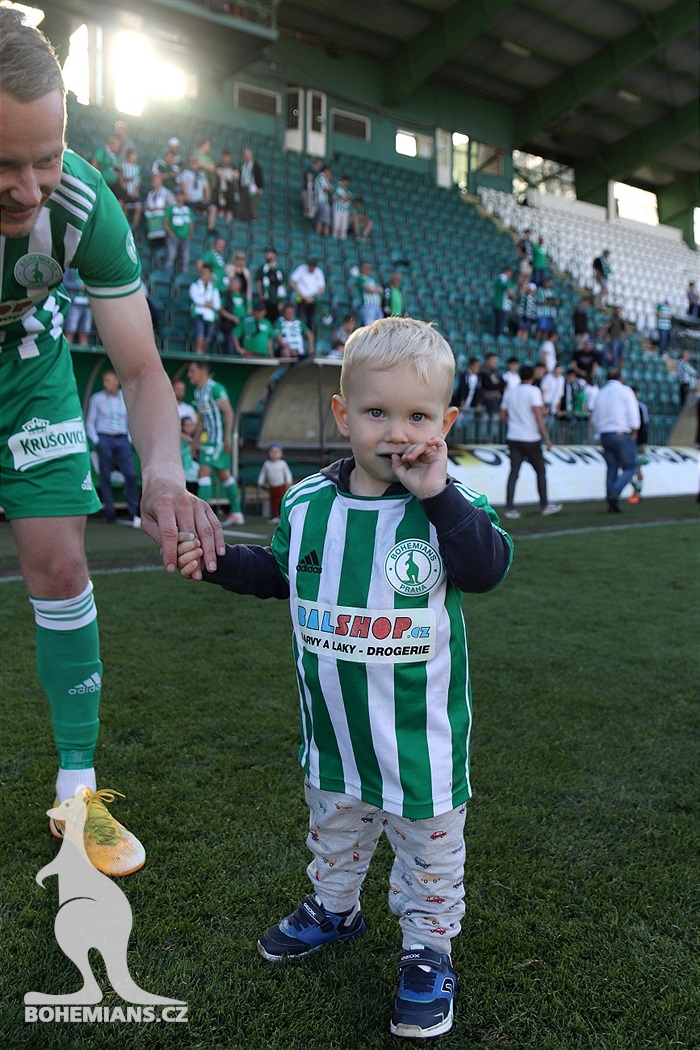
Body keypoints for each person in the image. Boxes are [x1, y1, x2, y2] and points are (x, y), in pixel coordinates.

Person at [176, 317, 514, 1040]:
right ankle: (335, 908)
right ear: (341, 415)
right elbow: (280, 575)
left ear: (446, 422)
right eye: (376, 413)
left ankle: (427, 951)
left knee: (430, 854)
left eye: (418, 416)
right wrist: (218, 562)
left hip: (420, 743)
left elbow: (488, 568)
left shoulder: (448, 504)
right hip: (333, 735)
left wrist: (438, 494)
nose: (397, 433)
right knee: (333, 832)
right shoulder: (305, 507)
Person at [0, 8, 223, 876]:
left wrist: (164, 476)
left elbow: (140, 372)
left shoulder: (84, 202)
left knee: (60, 565)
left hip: (28, 373)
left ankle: (77, 783)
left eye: (46, 159)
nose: (28, 188)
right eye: (4, 164)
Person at [500, 365, 563, 520]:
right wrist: (546, 437)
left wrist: (514, 423)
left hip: (513, 437)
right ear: (532, 377)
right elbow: (538, 416)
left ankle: (510, 508)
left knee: (514, 472)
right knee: (540, 471)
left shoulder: (511, 392)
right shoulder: (533, 391)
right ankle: (544, 504)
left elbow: (502, 415)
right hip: (530, 437)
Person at [186, 359, 244, 526]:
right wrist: (195, 440)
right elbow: (202, 420)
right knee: (224, 474)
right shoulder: (198, 392)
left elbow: (229, 412)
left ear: (202, 372)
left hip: (218, 441)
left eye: (192, 371)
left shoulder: (216, 389)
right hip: (209, 441)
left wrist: (227, 437)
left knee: (203, 474)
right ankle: (237, 512)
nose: (189, 375)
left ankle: (201, 517)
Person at [85, 370, 140, 526]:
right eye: (104, 381)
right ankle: (110, 512)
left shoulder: (126, 397)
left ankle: (133, 512)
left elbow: (132, 419)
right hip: (105, 438)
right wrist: (97, 440)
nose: (106, 384)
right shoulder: (97, 398)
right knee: (105, 476)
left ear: (117, 381)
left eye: (109, 380)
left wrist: (129, 438)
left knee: (130, 475)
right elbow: (90, 421)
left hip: (122, 439)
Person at [591, 368, 641, 514]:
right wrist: (635, 429)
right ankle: (614, 491)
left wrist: (599, 433)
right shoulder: (625, 391)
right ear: (621, 378)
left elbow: (596, 416)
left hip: (605, 433)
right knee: (630, 466)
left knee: (611, 468)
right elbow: (633, 411)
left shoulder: (601, 393)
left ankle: (611, 503)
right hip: (621, 432)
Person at [189, 264, 222, 355]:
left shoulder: (214, 288)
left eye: (207, 273)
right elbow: (196, 299)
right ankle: (198, 354)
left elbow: (217, 304)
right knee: (200, 335)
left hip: (210, 316)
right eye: (203, 272)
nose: (205, 275)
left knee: (207, 338)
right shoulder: (195, 285)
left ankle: (202, 354)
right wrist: (207, 303)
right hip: (198, 314)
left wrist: (207, 304)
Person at [143, 170, 174, 262]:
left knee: (162, 247)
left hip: (163, 224)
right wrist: (150, 209)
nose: (154, 182)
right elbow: (145, 206)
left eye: (156, 180)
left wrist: (161, 209)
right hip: (152, 225)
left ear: (161, 181)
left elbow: (171, 206)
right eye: (153, 180)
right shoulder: (150, 194)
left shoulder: (167, 192)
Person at [256, 443, 293, 522]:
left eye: (276, 452)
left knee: (282, 501)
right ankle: (275, 516)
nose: (274, 454)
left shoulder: (282, 463)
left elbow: (287, 473)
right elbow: (263, 473)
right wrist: (260, 481)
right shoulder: (267, 464)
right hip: (272, 486)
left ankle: (283, 516)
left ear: (281, 454)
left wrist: (288, 481)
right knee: (273, 502)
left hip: (281, 486)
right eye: (272, 452)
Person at [163, 187, 194, 276]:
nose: (180, 197)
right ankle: (167, 276)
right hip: (174, 236)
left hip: (185, 237)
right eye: (178, 195)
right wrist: (171, 233)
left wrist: (190, 233)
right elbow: (165, 221)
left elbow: (192, 223)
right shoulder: (170, 208)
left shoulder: (188, 210)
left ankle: (183, 277)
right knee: (170, 257)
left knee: (185, 258)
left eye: (181, 195)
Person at [290, 256, 326, 330]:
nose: (311, 268)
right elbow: (291, 281)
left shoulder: (319, 272)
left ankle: (309, 333)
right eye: (310, 266)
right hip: (300, 296)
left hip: (312, 299)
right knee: (299, 315)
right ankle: (297, 331)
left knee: (311, 318)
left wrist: (312, 297)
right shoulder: (301, 269)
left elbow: (322, 288)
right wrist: (300, 293)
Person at [627, 387, 649, 505]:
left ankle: (637, 493)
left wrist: (642, 443)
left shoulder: (641, 407)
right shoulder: (626, 406)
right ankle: (636, 490)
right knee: (627, 467)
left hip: (637, 442)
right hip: (627, 442)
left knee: (637, 468)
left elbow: (644, 426)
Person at [256, 245, 287, 323]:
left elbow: (282, 285)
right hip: (266, 299)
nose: (267, 255)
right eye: (266, 253)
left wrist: (281, 301)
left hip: (276, 299)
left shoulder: (280, 270)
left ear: (275, 255)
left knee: (275, 320)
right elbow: (259, 282)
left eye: (269, 253)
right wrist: (261, 295)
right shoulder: (262, 268)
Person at [219, 274, 248, 355]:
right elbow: (221, 309)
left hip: (242, 325)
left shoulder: (243, 296)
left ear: (239, 285)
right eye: (231, 283)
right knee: (230, 346)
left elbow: (248, 308)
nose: (232, 285)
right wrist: (232, 317)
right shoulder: (226, 295)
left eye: (234, 283)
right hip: (229, 325)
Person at [63, 267, 93, 345]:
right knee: (70, 330)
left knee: (85, 332)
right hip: (74, 304)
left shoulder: (91, 267)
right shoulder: (70, 268)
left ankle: (83, 356)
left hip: (88, 305)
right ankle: (67, 354)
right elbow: (64, 282)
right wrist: (78, 286)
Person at [117, 146, 142, 230]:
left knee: (139, 206)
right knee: (124, 207)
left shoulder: (137, 168)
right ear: (128, 156)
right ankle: (124, 226)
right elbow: (120, 180)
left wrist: (135, 192)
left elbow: (138, 181)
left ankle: (135, 227)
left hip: (133, 193)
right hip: (125, 193)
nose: (135, 157)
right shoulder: (122, 166)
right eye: (133, 155)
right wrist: (126, 183)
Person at [355, 261, 383, 327]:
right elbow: (369, 289)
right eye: (366, 267)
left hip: (377, 307)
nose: (368, 269)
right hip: (368, 306)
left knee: (380, 328)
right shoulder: (361, 278)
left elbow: (381, 290)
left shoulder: (372, 280)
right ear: (362, 268)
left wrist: (375, 289)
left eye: (369, 267)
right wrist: (376, 289)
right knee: (369, 327)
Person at [239, 147, 263, 223]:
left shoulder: (256, 165)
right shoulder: (242, 166)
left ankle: (254, 218)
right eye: (245, 154)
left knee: (253, 203)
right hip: (244, 187)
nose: (247, 156)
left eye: (248, 154)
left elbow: (259, 176)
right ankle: (245, 218)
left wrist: (260, 187)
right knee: (244, 203)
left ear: (251, 155)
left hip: (253, 187)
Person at [492, 265, 515, 336]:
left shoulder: (498, 278)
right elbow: (510, 292)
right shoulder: (504, 279)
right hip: (502, 305)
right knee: (501, 325)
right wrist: (515, 297)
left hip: (497, 304)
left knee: (498, 324)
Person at [313, 163, 332, 236]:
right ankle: (323, 235)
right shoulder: (322, 177)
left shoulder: (322, 178)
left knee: (321, 219)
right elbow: (327, 190)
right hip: (322, 201)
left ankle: (319, 236)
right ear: (326, 170)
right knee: (325, 221)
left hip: (321, 201)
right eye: (329, 171)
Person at [331, 174, 352, 240]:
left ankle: (342, 238)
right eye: (346, 181)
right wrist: (342, 198)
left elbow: (347, 199)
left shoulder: (347, 191)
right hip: (337, 208)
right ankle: (334, 237)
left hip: (345, 210)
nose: (346, 183)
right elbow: (333, 197)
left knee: (344, 226)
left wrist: (343, 198)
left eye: (348, 182)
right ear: (343, 180)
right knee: (336, 224)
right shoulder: (336, 187)